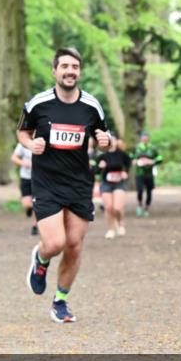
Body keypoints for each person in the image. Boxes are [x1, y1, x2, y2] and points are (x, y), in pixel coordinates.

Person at [18, 47, 110, 324]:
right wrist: (30, 144)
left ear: (79, 72)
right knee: (55, 243)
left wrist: (105, 141)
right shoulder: (38, 103)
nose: (70, 71)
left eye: (75, 67)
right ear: (55, 71)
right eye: (65, 66)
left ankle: (60, 301)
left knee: (74, 245)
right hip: (46, 183)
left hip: (80, 184)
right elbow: (23, 131)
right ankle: (41, 259)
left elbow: (102, 134)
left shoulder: (92, 106)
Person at [97, 136, 131, 239]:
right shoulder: (102, 156)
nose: (112, 142)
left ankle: (120, 222)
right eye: (109, 140)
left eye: (113, 140)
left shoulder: (122, 155)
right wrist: (99, 167)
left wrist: (125, 172)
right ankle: (110, 230)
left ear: (116, 142)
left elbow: (128, 164)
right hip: (106, 183)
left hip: (119, 183)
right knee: (109, 207)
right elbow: (95, 171)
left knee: (117, 208)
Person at [131, 131, 162, 217]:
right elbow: (131, 156)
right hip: (139, 173)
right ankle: (140, 205)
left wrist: (153, 161)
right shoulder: (137, 148)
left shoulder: (152, 148)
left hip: (149, 174)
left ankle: (147, 208)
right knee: (140, 190)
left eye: (146, 137)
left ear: (148, 138)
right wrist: (134, 161)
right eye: (143, 137)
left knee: (149, 191)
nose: (145, 138)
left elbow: (159, 158)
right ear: (141, 138)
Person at [11, 143, 37, 235]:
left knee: (36, 202)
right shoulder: (22, 144)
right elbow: (13, 158)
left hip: (39, 178)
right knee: (27, 204)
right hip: (25, 177)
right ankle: (28, 209)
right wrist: (23, 163)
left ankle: (35, 226)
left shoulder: (44, 141)